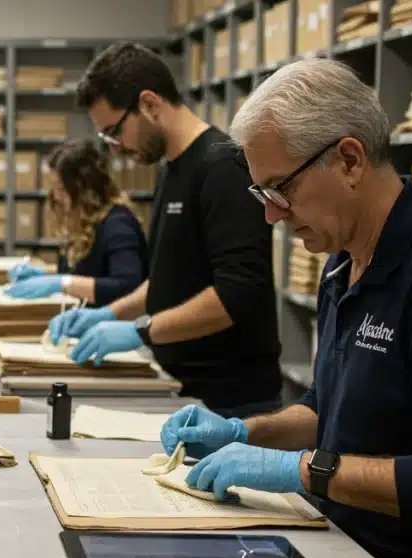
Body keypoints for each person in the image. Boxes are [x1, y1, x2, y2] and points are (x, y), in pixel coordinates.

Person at [159, 59, 412, 558]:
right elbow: (327, 410)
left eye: (281, 189)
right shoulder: (341, 262)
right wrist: (244, 431)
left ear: (349, 160)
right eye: (262, 192)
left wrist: (305, 470)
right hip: (344, 557)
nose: (271, 214)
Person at [51, 42, 281, 419]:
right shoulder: (170, 169)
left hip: (230, 403)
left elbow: (237, 294)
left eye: (114, 132)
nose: (115, 148)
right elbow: (166, 280)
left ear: (149, 104)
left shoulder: (224, 167)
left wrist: (141, 331)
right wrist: (108, 314)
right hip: (182, 386)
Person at [4, 138, 148, 306]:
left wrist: (61, 283)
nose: (56, 197)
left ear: (85, 190)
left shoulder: (118, 224)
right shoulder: (84, 221)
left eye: (62, 189)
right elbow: (85, 272)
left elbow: (127, 286)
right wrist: (44, 274)